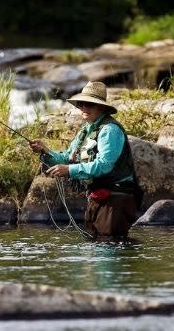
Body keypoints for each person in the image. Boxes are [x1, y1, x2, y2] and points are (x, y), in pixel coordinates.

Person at [29, 81, 140, 239]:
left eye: (89, 104)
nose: (84, 108)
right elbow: (68, 157)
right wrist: (45, 151)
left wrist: (69, 170)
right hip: (96, 198)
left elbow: (104, 165)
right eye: (81, 104)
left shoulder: (109, 130)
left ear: (101, 107)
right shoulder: (85, 131)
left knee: (108, 249)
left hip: (115, 199)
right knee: (96, 251)